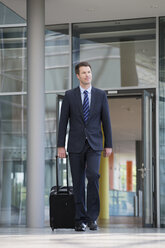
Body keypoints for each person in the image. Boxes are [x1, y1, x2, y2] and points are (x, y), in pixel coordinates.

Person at [57, 61, 112, 231]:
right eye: (84, 72)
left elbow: (106, 121)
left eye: (89, 72)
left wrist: (108, 144)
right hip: (75, 144)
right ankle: (79, 219)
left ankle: (92, 218)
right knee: (78, 181)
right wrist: (60, 146)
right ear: (77, 76)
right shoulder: (69, 95)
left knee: (93, 176)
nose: (87, 75)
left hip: (95, 144)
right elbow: (63, 122)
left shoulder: (100, 95)